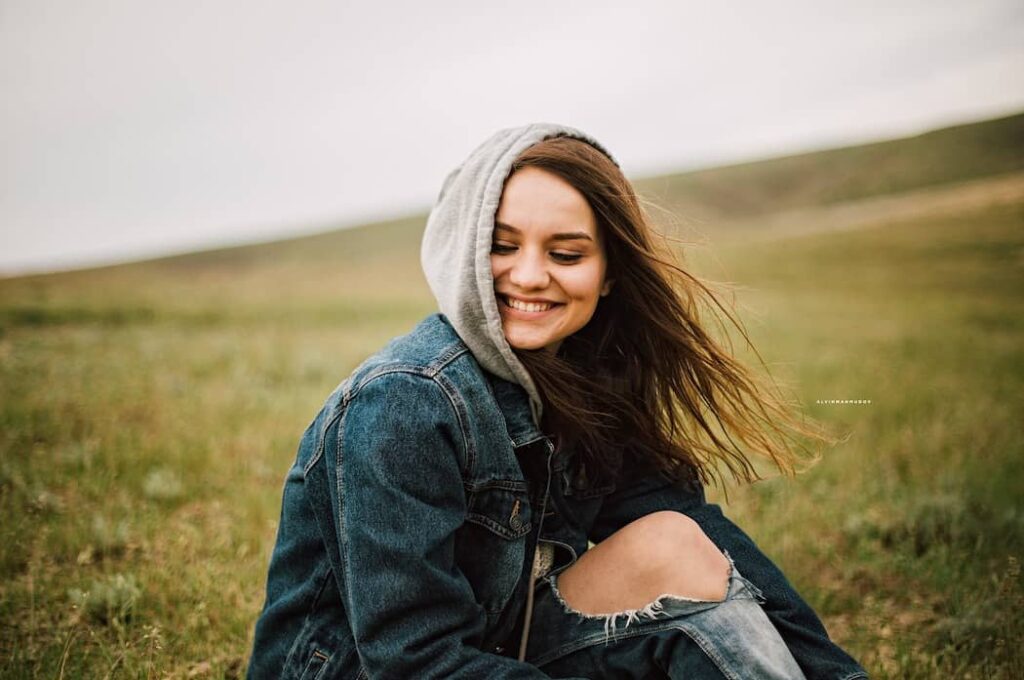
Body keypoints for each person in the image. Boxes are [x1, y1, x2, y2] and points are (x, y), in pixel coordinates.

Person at [246, 123, 867, 679]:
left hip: (494, 652)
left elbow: (708, 547)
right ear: (463, 248)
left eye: (566, 253)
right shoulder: (403, 406)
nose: (530, 275)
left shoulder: (583, 380)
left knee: (672, 543)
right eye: (502, 245)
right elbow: (414, 660)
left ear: (607, 273)